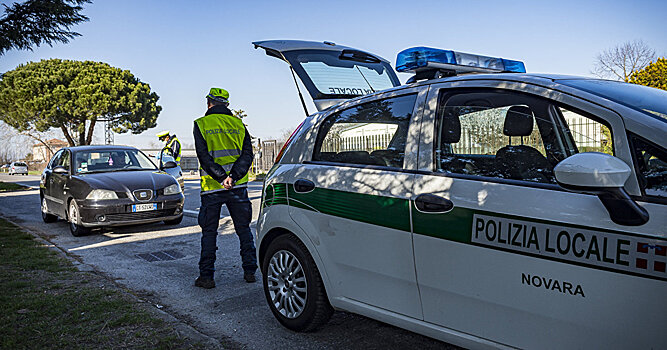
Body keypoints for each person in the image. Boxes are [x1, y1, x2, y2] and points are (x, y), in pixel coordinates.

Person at [193, 87, 256, 289]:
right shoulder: (239, 124)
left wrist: (221, 178)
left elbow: (204, 157)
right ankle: (250, 272)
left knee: (209, 232)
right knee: (244, 230)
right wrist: (234, 177)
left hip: (212, 188)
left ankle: (207, 277)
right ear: (226, 104)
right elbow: (248, 154)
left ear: (209, 102)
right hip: (238, 187)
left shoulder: (201, 124)